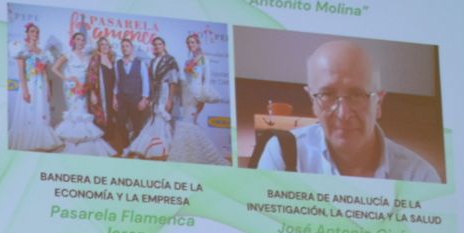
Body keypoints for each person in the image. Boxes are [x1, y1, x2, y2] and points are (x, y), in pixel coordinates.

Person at [255, 39, 441, 182]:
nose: (343, 114)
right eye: (327, 94)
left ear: (379, 103)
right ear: (312, 100)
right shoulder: (283, 154)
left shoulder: (420, 176)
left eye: (357, 95)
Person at [51, 31, 114, 157]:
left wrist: (91, 88)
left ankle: (85, 145)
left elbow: (92, 73)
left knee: (85, 113)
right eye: (78, 39)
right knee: (76, 114)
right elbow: (54, 68)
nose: (80, 42)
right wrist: (66, 78)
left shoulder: (88, 56)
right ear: (73, 41)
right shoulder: (68, 54)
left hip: (85, 88)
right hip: (73, 89)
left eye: (82, 40)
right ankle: (72, 145)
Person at [169, 33, 227, 165]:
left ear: (198, 43)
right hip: (186, 92)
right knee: (188, 122)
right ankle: (190, 154)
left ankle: (192, 154)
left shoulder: (203, 58)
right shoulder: (187, 60)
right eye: (189, 42)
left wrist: (203, 95)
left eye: (193, 42)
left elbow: (206, 78)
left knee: (188, 122)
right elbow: (186, 77)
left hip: (196, 93)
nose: (191, 45)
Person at [9, 22, 61, 151]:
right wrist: (25, 90)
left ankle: (41, 141)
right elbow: (21, 71)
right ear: (27, 33)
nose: (35, 34)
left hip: (41, 86)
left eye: (37, 32)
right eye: (32, 31)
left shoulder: (43, 52)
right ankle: (28, 142)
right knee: (29, 111)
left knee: (41, 112)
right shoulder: (22, 48)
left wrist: (48, 89)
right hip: (30, 84)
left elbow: (44, 72)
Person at [125, 36, 179, 160]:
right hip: (155, 93)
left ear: (164, 46)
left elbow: (173, 82)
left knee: (162, 118)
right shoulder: (153, 61)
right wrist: (149, 97)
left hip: (165, 91)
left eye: (160, 44)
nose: (157, 46)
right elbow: (151, 80)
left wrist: (170, 100)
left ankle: (164, 148)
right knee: (155, 118)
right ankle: (153, 148)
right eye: (155, 44)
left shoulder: (170, 60)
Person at [114, 37, 151, 146]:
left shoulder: (140, 63)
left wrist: (144, 99)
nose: (125, 48)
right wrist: (114, 98)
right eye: (123, 47)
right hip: (122, 100)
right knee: (120, 123)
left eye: (127, 46)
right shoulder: (118, 64)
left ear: (132, 48)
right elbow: (117, 82)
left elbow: (146, 82)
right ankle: (126, 146)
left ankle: (137, 148)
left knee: (137, 125)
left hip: (136, 99)